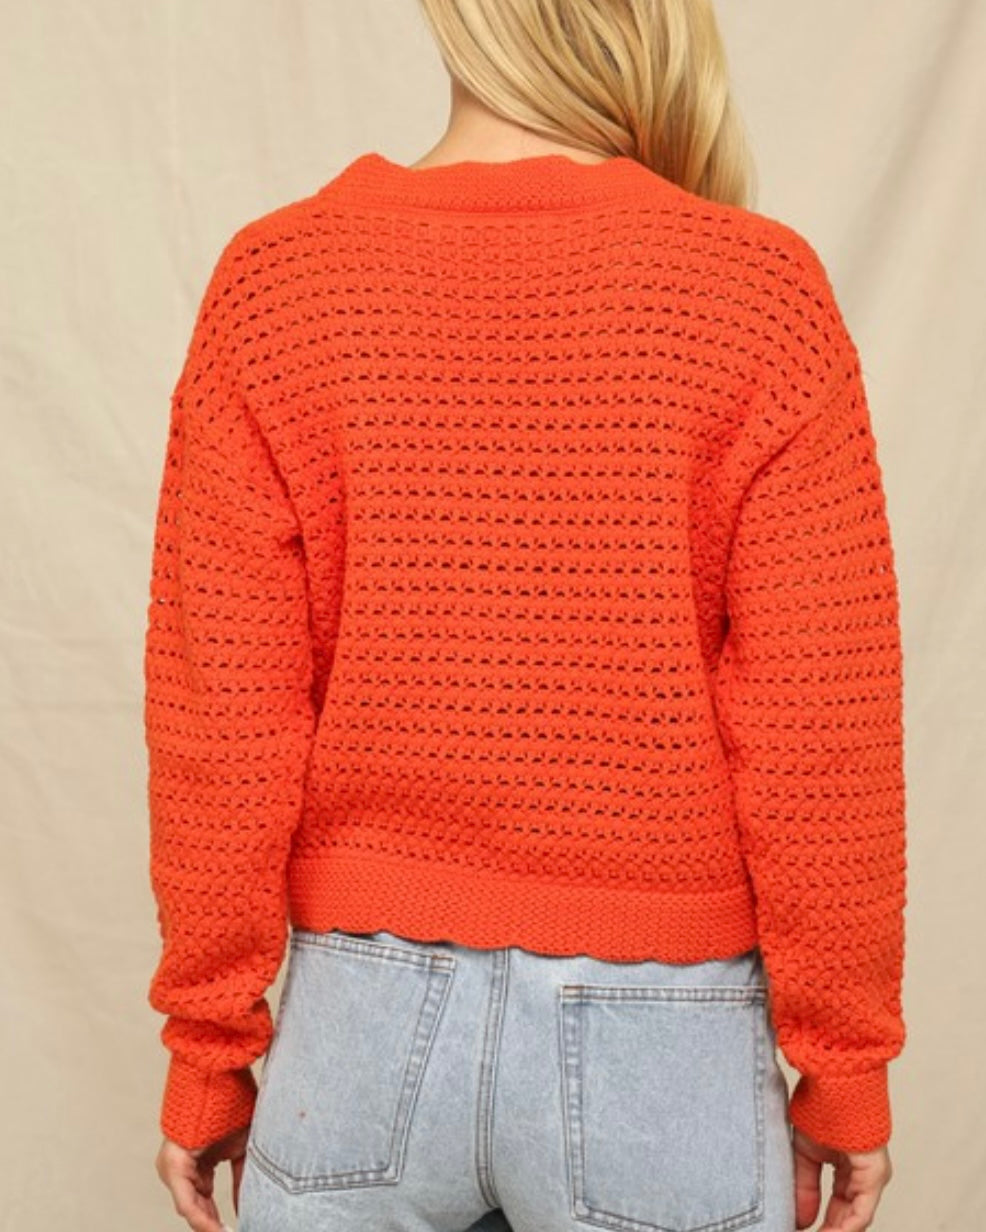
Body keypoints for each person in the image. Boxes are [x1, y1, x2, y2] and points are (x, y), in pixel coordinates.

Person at [144, 3, 906, 1231]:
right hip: (662, 1030)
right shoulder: (757, 291)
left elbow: (218, 718)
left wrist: (208, 1045)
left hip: (359, 1021)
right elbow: (822, 727)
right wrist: (842, 1062)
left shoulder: (277, 282)